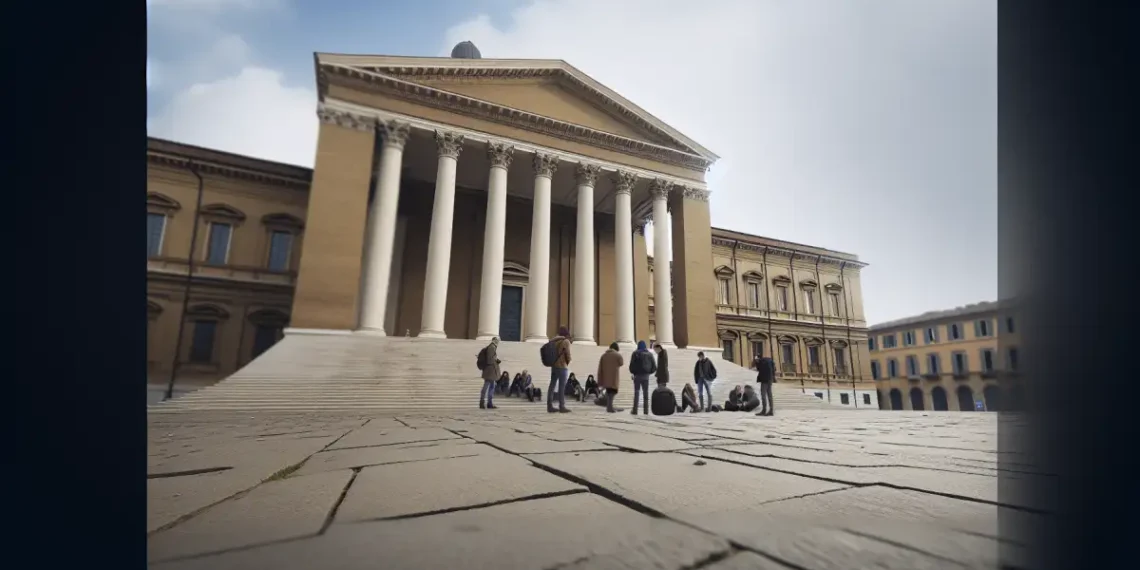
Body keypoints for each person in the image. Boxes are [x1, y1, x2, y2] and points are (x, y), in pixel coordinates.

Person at [547, 326, 572, 413]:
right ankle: (562, 406)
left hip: (554, 366)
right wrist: (568, 362)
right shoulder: (566, 341)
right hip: (562, 366)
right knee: (562, 387)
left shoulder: (553, 341)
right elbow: (568, 354)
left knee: (552, 386)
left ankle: (549, 406)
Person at [628, 340, 656, 415]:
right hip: (646, 377)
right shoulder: (649, 354)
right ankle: (646, 411)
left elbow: (631, 366)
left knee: (636, 393)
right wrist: (648, 373)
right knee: (646, 394)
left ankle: (635, 410)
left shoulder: (635, 353)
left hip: (637, 376)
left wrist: (633, 372)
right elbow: (654, 367)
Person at [596, 342, 624, 413]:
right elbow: (621, 363)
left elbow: (600, 368)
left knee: (609, 392)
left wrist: (600, 379)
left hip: (605, 378)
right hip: (614, 377)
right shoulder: (618, 355)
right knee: (612, 392)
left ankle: (610, 406)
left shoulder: (603, 355)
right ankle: (609, 408)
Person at [479, 337, 502, 410]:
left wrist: (496, 359)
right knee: (488, 387)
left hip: (490, 371)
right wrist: (496, 361)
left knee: (491, 386)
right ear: (495, 341)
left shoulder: (492, 347)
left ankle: (488, 403)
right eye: (497, 341)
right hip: (490, 371)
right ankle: (485, 403)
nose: (498, 342)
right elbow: (490, 360)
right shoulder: (492, 347)